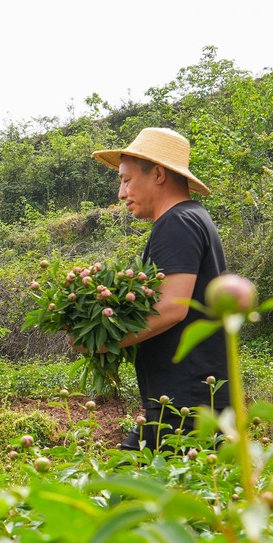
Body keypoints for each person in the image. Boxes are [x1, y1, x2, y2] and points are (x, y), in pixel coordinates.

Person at [88, 128, 229, 450]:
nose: (121, 193)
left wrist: (101, 343)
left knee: (128, 475)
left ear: (158, 174)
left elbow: (171, 307)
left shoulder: (177, 222)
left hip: (185, 401)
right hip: (187, 396)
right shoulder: (192, 218)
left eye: (126, 180)